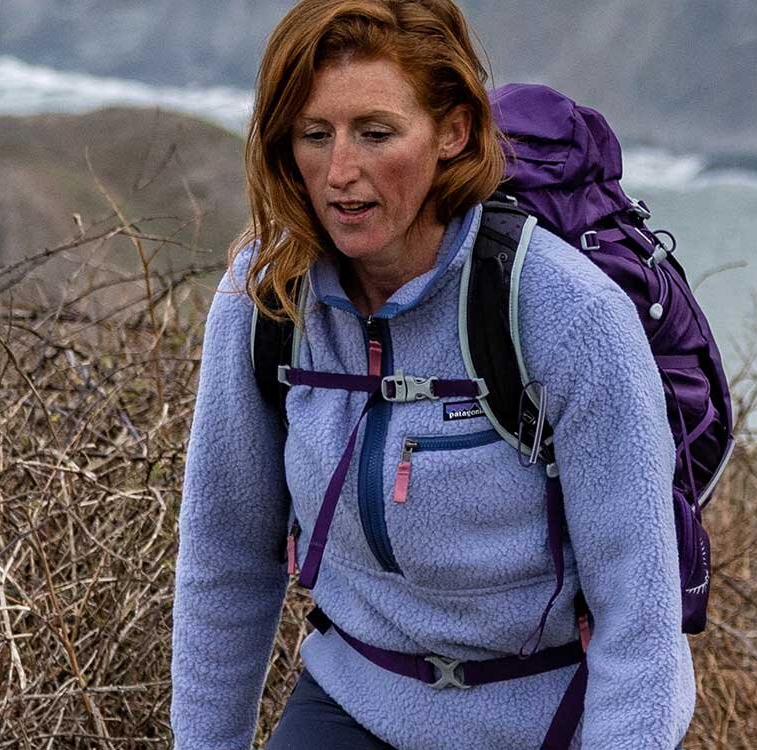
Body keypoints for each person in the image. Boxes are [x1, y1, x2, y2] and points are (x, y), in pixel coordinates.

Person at [170, 1, 691, 747]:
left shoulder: (568, 312)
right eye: (315, 134)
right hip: (353, 697)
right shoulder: (267, 295)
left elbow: (639, 618)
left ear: (454, 131)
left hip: (544, 715)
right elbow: (225, 556)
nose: (340, 173)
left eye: (376, 133)